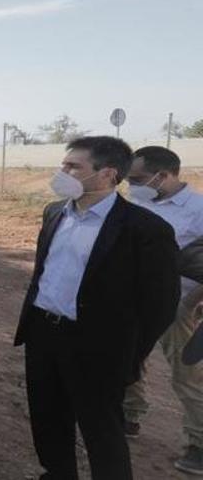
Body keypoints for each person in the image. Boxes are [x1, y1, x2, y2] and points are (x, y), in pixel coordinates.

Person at [14, 136, 178, 480]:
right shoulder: (55, 212)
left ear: (107, 174)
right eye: (64, 164)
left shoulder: (145, 229)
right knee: (48, 419)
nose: (63, 172)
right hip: (43, 334)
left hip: (99, 347)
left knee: (102, 430)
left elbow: (161, 304)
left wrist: (131, 353)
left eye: (74, 166)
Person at [122, 146, 203, 473]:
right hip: (132, 299)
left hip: (176, 303)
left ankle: (198, 443)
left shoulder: (198, 209)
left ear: (165, 175)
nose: (131, 184)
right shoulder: (139, 200)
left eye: (138, 178)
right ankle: (130, 414)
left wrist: (193, 300)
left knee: (187, 374)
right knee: (128, 358)